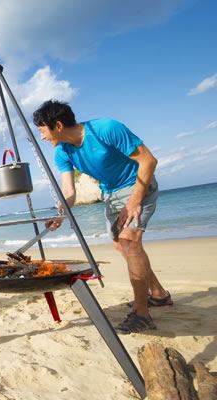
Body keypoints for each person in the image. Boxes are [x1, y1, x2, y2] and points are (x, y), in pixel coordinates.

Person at [33, 100, 172, 334]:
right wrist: (60, 215)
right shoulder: (63, 153)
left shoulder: (106, 128)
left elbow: (148, 161)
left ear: (57, 125)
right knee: (121, 246)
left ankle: (142, 315)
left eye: (42, 129)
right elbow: (69, 193)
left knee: (130, 241)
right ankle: (158, 295)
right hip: (110, 194)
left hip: (137, 185)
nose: (42, 136)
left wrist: (134, 201)